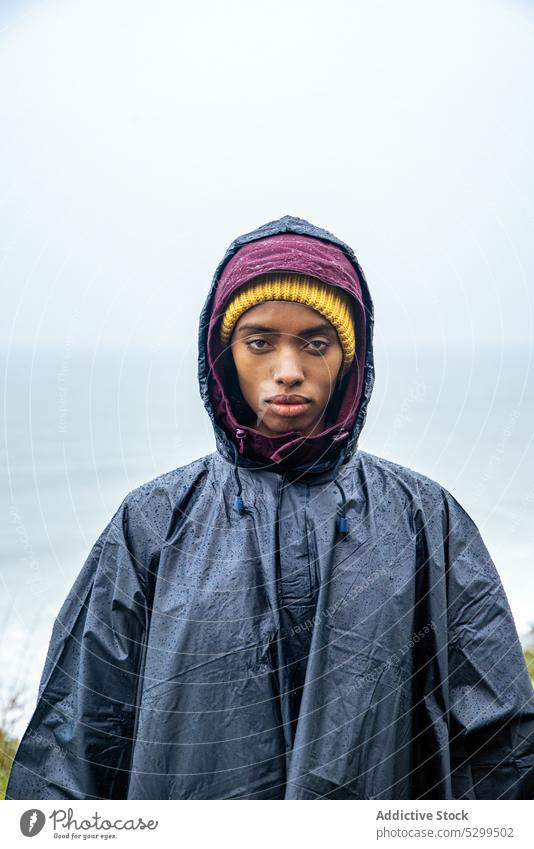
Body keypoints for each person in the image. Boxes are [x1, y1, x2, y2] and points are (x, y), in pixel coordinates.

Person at [7, 214, 534, 800]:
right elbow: (75, 740)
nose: (289, 371)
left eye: (315, 343)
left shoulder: (423, 519)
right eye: (260, 342)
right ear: (224, 354)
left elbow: (499, 742)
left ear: (350, 359)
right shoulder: (151, 524)